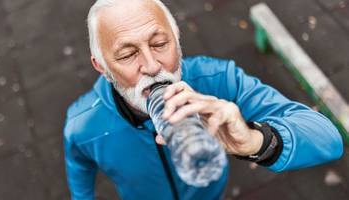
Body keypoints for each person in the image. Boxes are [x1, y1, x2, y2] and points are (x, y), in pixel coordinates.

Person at [63, 0, 344, 199]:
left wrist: (253, 141)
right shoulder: (83, 125)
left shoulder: (219, 80)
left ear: (177, 38)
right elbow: (79, 171)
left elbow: (329, 139)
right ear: (102, 67)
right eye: (127, 55)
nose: (151, 65)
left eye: (160, 44)